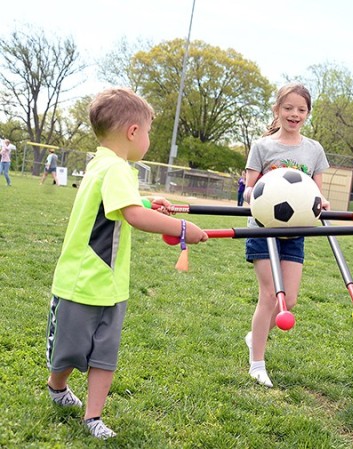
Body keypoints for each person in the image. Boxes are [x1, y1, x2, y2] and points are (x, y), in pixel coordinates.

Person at [45, 87, 208, 439]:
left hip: (110, 284)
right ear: (133, 132)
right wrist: (183, 228)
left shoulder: (102, 163)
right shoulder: (116, 168)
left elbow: (123, 206)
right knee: (68, 352)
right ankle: (57, 387)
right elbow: (132, 215)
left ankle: (93, 417)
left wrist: (149, 201)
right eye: (148, 131)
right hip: (82, 282)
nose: (148, 139)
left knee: (104, 353)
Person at [243, 83, 330, 387]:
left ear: (308, 113)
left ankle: (255, 337)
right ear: (277, 110)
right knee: (269, 296)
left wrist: (320, 203)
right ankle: (257, 363)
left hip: (296, 233)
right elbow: (247, 191)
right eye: (288, 108)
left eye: (301, 109)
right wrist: (261, 194)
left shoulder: (314, 150)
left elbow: (317, 193)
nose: (294, 114)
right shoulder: (262, 147)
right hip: (263, 230)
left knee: (288, 300)